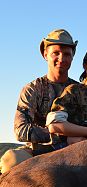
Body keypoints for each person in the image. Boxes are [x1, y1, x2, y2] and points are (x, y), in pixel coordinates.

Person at [0, 29, 78, 173]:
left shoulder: (80, 90)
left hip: (76, 147)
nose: (61, 58)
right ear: (45, 54)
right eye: (56, 53)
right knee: (11, 160)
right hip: (39, 150)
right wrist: (61, 134)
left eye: (67, 54)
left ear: (73, 57)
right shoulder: (32, 89)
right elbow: (21, 130)